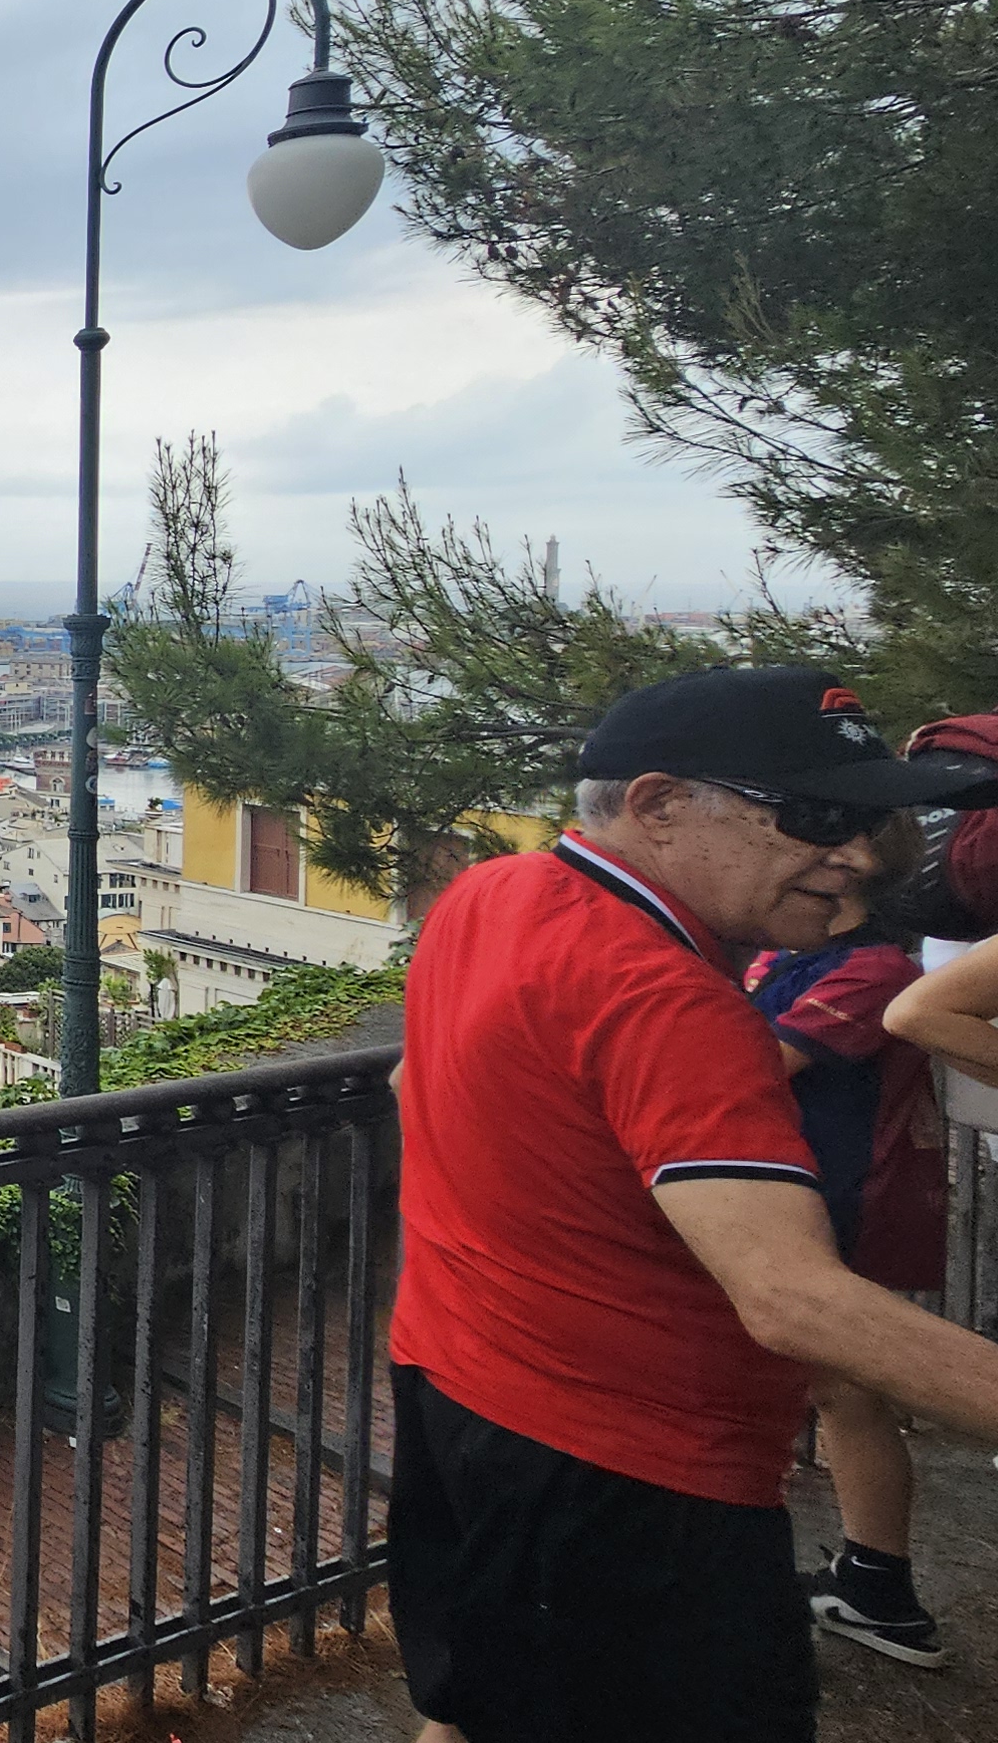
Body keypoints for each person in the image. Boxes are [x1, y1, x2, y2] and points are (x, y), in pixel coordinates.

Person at [389, 666, 998, 1743]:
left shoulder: (493, 892)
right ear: (660, 803)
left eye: (866, 823)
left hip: (458, 1386)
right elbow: (789, 1296)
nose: (860, 856)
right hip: (635, 1470)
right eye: (818, 816)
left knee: (480, 1699)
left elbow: (411, 1086)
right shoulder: (669, 999)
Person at [741, 835, 944, 1669]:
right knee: (839, 1392)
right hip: (793, 1193)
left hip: (838, 1203)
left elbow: (756, 1063)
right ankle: (875, 1584)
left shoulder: (874, 971)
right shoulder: (784, 956)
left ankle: (879, 1587)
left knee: (842, 1389)